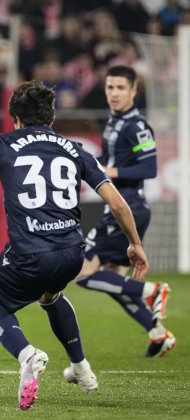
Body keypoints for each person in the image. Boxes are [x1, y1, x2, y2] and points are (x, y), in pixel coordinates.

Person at [0, 80, 149, 410]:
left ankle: (27, 354)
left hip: (30, 253)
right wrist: (135, 244)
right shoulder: (75, 149)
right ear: (51, 116)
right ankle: (82, 369)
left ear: (14, 117)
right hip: (73, 253)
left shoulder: (2, 143)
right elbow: (119, 205)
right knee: (50, 294)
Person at [73, 65, 175, 358]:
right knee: (114, 280)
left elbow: (149, 168)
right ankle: (157, 333)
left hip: (128, 207)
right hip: (120, 206)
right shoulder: (114, 121)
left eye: (120, 88)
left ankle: (153, 291)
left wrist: (109, 170)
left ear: (133, 91)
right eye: (110, 87)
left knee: (83, 274)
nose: (114, 93)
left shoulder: (137, 125)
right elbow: (106, 160)